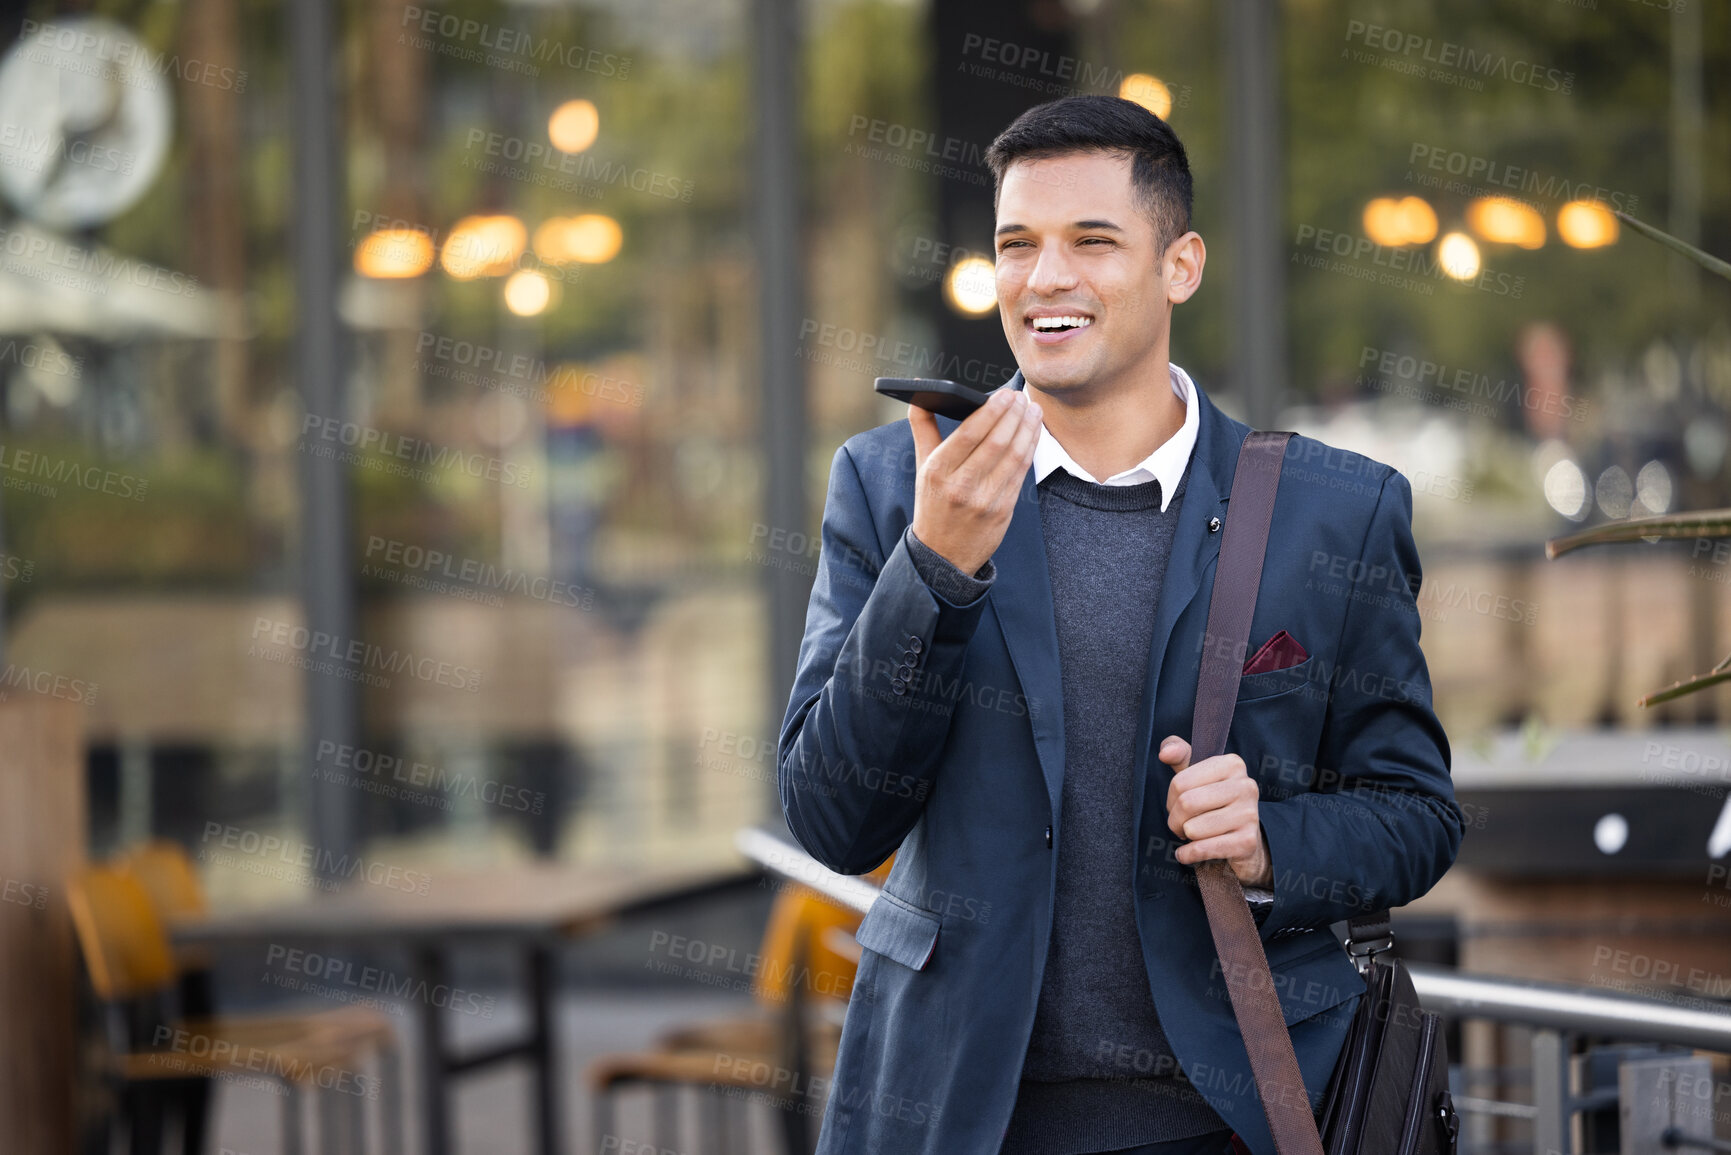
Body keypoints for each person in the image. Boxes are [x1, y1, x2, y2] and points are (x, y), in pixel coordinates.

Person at [777, 94, 1462, 1155]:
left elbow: (1416, 814)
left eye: (1092, 242)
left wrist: (1275, 839)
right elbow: (832, 817)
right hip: (959, 1112)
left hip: (1241, 1116)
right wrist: (936, 566)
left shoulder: (1337, 510)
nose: (1046, 278)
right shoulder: (894, 486)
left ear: (1179, 265)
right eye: (1018, 246)